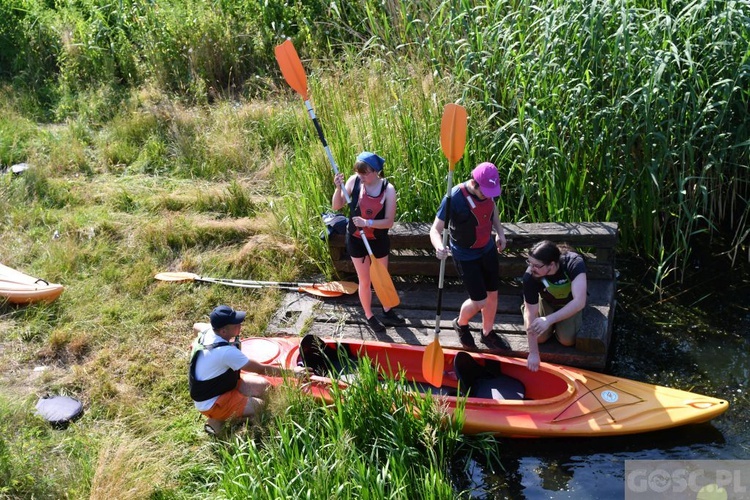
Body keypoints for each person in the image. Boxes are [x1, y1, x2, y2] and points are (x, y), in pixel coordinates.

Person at [189, 305, 309, 436]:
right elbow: (261, 369)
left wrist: (197, 349)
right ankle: (217, 422)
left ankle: (228, 413)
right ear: (223, 331)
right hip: (212, 402)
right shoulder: (225, 352)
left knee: (265, 386)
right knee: (261, 407)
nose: (240, 324)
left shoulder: (208, 331)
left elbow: (196, 326)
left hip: (223, 386)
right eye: (235, 324)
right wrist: (293, 373)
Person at [429, 162, 508, 350]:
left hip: (487, 249)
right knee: (479, 300)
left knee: (492, 295)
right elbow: (435, 230)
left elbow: (491, 210)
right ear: (475, 183)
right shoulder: (454, 197)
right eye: (485, 192)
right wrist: (439, 246)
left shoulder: (488, 192)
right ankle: (461, 323)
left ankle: (487, 333)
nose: (488, 195)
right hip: (465, 255)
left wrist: (500, 232)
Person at [332, 151, 405, 333]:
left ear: (376, 171)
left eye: (365, 173)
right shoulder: (353, 181)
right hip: (356, 240)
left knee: (381, 277)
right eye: (359, 172)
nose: (361, 176)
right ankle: (369, 315)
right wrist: (338, 188)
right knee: (365, 280)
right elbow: (336, 206)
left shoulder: (388, 189)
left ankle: (387, 310)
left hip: (377, 240)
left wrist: (367, 223)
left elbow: (389, 221)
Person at [522, 240, 588, 371]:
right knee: (539, 338)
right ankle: (526, 304)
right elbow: (531, 314)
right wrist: (534, 353)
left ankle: (557, 324)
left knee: (566, 340)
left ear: (551, 265)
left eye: (536, 265)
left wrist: (549, 320)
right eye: (529, 262)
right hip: (547, 301)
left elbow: (579, 301)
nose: (531, 268)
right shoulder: (530, 276)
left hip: (570, 303)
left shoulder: (574, 263)